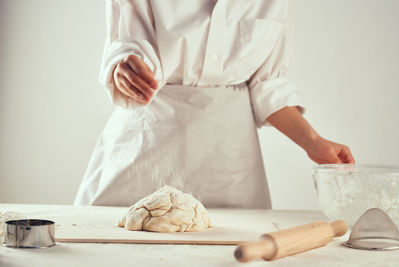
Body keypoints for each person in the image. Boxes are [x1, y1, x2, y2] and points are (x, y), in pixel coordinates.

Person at [74, 0, 354, 208]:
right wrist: (125, 69)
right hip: (147, 142)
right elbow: (127, 45)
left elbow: (266, 84)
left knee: (232, 254)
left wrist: (313, 141)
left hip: (230, 165)